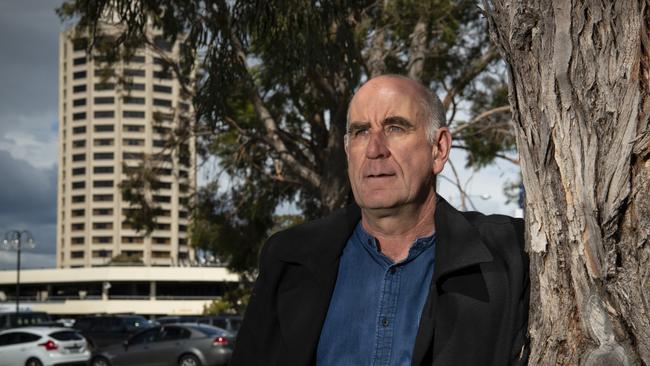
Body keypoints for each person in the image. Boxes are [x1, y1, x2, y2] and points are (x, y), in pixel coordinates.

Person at [231, 75, 529, 366]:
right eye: (361, 132)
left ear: (439, 148)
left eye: (395, 128)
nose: (374, 150)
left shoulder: (509, 255)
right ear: (348, 151)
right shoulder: (289, 258)